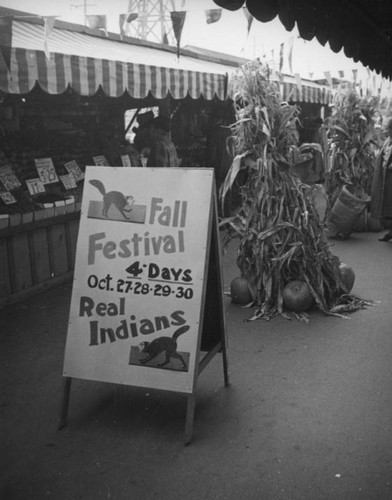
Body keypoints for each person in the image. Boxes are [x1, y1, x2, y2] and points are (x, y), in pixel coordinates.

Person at [371, 118, 392, 242]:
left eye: (388, 129)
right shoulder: (388, 141)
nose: (387, 131)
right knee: (388, 205)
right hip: (386, 178)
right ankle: (390, 232)